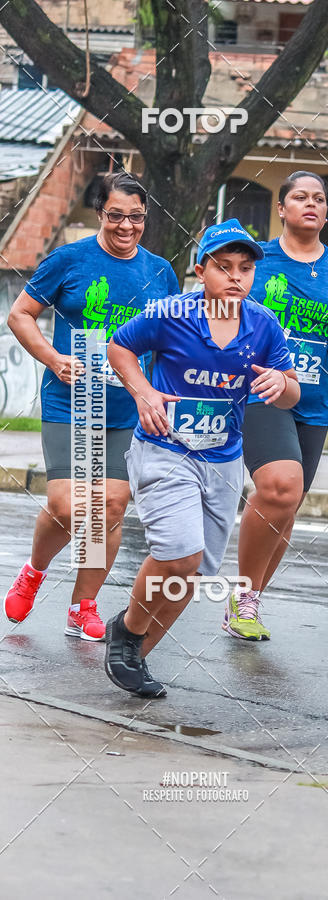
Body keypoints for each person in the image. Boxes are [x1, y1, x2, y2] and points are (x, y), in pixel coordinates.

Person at [104, 219, 299, 697]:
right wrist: (144, 391)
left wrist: (281, 386)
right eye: (224, 266)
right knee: (180, 556)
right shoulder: (171, 313)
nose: (236, 277)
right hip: (166, 449)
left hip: (223, 460)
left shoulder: (264, 325)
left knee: (191, 574)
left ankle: (133, 657)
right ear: (200, 270)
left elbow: (291, 388)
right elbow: (119, 347)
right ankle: (127, 633)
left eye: (246, 268)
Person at [4, 172, 178, 640]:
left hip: (127, 409)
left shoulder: (161, 272)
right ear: (100, 213)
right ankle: (35, 570)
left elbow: (169, 340)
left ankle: (83, 606)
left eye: (136, 217)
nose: (126, 226)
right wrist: (54, 357)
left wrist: (157, 391)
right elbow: (19, 315)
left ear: (146, 218)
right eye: (116, 215)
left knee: (111, 506)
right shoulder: (69, 259)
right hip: (72, 401)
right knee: (66, 505)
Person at [228, 171, 328, 641]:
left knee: (287, 504)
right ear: (282, 208)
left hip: (312, 403)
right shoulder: (257, 259)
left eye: (318, 199)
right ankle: (243, 595)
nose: (310, 204)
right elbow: (224, 313)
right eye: (299, 197)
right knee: (277, 487)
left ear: (326, 212)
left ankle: (248, 600)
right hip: (260, 391)